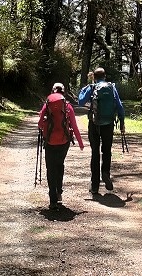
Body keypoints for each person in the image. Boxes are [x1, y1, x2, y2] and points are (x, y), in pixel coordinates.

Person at [78, 67, 125, 194]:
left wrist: (84, 89)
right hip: (108, 124)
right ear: (105, 76)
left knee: (95, 152)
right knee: (107, 151)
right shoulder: (111, 87)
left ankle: (94, 185)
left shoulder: (92, 87)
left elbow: (80, 101)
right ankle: (105, 174)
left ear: (94, 77)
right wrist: (122, 122)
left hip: (94, 124)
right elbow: (119, 105)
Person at [38, 82, 84, 210]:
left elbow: (40, 124)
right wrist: (80, 143)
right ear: (64, 92)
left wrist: (45, 126)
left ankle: (52, 199)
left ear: (52, 91)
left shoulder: (47, 104)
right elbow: (74, 126)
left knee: (50, 168)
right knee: (60, 165)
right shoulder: (67, 106)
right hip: (64, 142)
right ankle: (59, 192)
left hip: (50, 141)